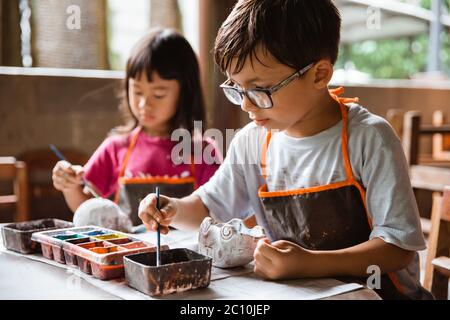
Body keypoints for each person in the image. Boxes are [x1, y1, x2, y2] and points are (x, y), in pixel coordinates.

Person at [137, 1, 432, 299]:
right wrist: (171, 209)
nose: (246, 105)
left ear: (319, 75)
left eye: (260, 89)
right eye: (237, 88)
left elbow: (397, 249)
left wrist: (308, 264)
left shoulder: (369, 138)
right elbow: (209, 207)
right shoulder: (252, 141)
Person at [52, 28, 221, 226]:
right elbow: (86, 204)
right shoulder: (116, 147)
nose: (143, 104)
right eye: (137, 91)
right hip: (124, 254)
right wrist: (69, 185)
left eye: (158, 95)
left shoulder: (202, 151)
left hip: (186, 255)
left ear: (185, 93)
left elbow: (218, 209)